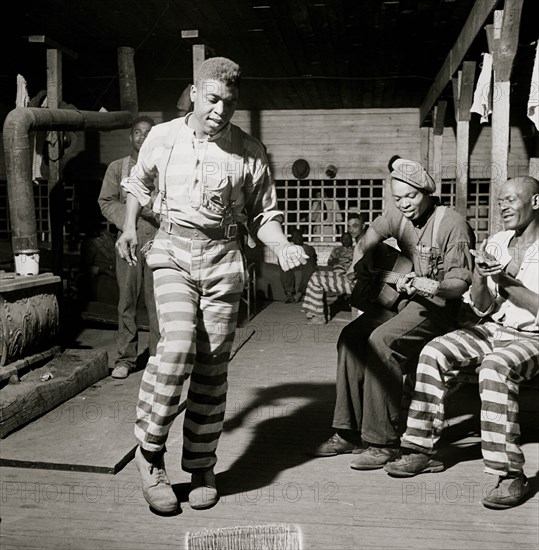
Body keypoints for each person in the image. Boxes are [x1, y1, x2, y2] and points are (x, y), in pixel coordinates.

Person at [115, 56, 308, 514]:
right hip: (173, 253)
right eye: (213, 99)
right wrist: (127, 226)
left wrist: (280, 245)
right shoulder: (162, 138)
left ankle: (201, 464)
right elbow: (139, 184)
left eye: (230, 102)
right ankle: (150, 453)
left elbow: (263, 215)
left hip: (223, 260)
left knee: (212, 365)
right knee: (177, 345)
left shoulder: (250, 151)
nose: (221, 110)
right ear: (195, 92)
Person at [384, 176, 539, 510]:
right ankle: (421, 449)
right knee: (434, 352)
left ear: (535, 202)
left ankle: (510, 474)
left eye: (512, 200)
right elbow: (482, 306)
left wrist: (504, 281)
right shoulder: (497, 241)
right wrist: (483, 276)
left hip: (533, 337)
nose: (503, 206)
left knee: (495, 369)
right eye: (501, 200)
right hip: (493, 328)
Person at [312, 156, 475, 469]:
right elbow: (366, 241)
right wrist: (362, 268)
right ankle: (348, 432)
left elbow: (458, 285)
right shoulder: (397, 216)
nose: (404, 204)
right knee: (350, 336)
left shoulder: (451, 224)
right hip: (405, 302)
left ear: (427, 192)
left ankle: (381, 441)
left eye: (411, 197)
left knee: (381, 340)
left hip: (440, 308)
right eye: (398, 198)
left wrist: (431, 286)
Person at [98, 116, 160, 379]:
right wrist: (132, 218)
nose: (142, 136)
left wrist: (150, 211)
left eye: (147, 132)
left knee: (158, 302)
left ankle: (159, 358)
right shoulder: (117, 168)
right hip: (128, 242)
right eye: (137, 132)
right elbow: (106, 202)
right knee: (127, 300)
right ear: (130, 136)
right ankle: (125, 359)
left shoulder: (163, 167)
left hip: (160, 240)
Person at [301, 224, 361, 324]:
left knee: (315, 279)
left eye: (348, 238)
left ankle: (316, 314)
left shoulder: (357, 248)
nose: (346, 240)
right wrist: (336, 261)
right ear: (341, 240)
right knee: (315, 275)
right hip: (340, 269)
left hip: (353, 276)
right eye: (344, 238)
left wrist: (352, 269)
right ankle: (315, 312)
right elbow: (330, 262)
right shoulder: (337, 250)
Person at [280, 228, 318, 303]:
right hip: (293, 265)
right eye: (294, 236)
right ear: (292, 239)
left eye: (298, 236)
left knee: (310, 266)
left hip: (305, 266)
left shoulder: (308, 248)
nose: (296, 238)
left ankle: (299, 294)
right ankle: (289, 294)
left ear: (302, 237)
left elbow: (311, 259)